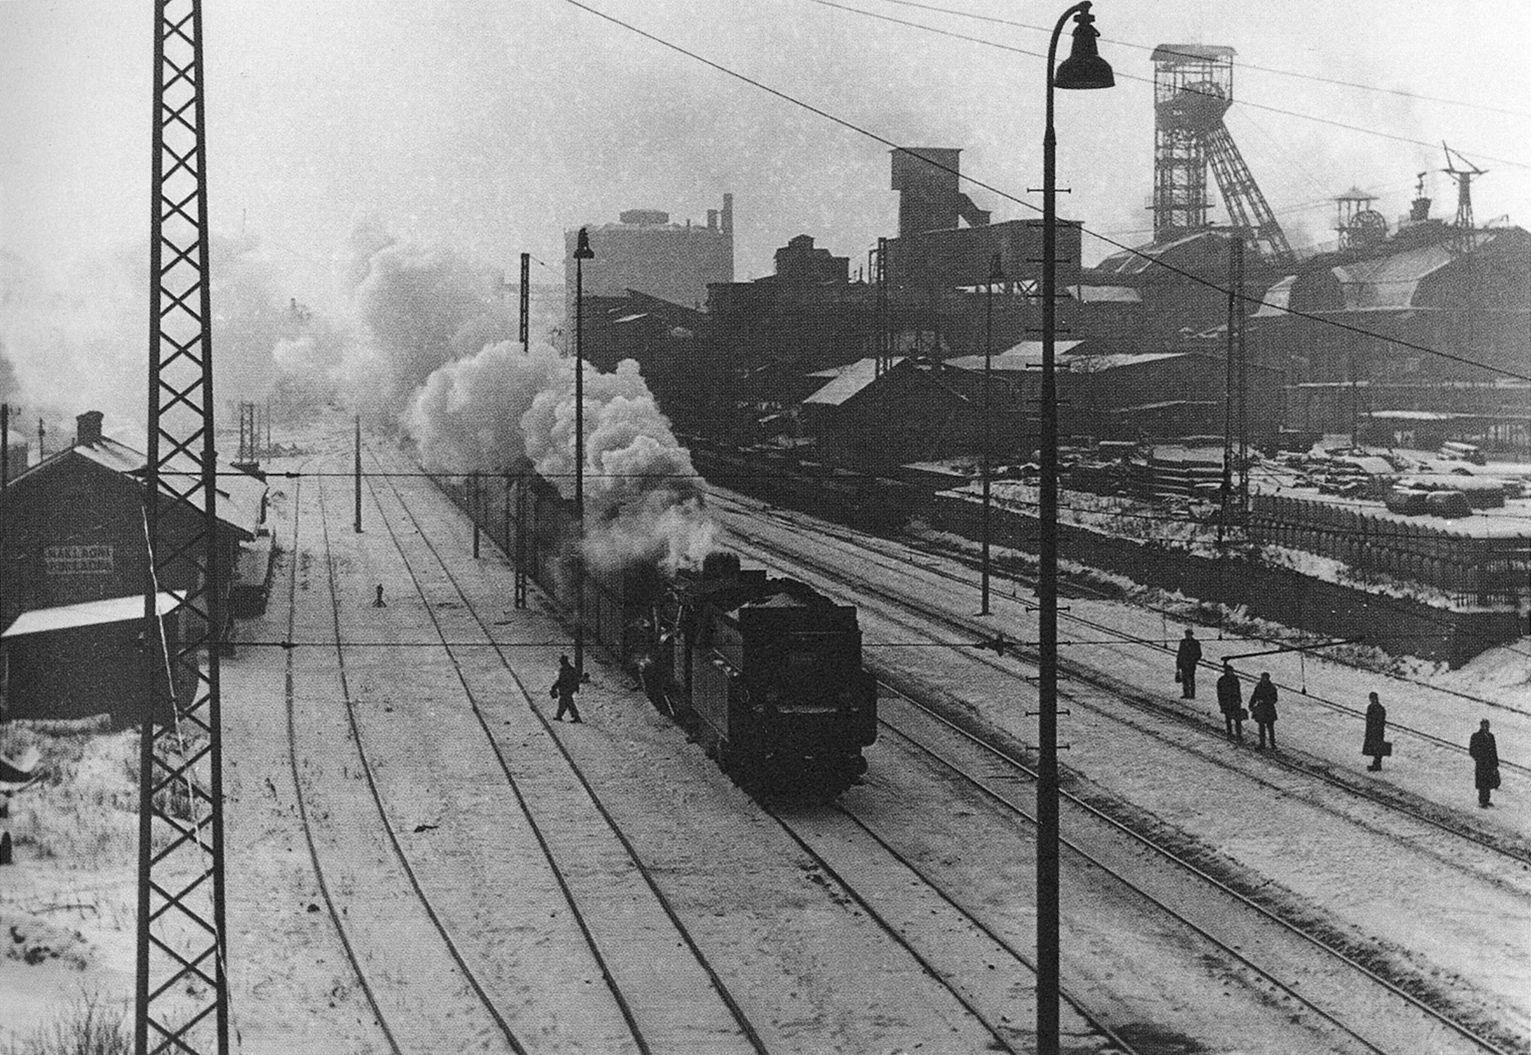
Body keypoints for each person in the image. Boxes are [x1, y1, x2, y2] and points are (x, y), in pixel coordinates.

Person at [1469, 718, 1499, 808]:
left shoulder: (1491, 736)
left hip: (1490, 764)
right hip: (1481, 764)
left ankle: (1487, 799)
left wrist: (1495, 764)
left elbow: (1494, 751)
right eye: (1485, 726)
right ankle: (1482, 801)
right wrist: (1479, 758)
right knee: (1482, 782)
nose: (1486, 727)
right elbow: (1472, 750)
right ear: (1481, 726)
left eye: (1487, 726)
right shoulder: (1476, 736)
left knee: (1488, 782)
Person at [1215, 661, 1244, 742]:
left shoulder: (1234, 680)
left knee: (1237, 720)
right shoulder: (1222, 680)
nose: (1230, 673)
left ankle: (1238, 734)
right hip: (1227, 702)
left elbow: (1238, 691)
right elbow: (1220, 693)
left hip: (1235, 702)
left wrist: (1239, 700)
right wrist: (1221, 703)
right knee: (1228, 719)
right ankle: (1230, 733)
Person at [1250, 672, 1278, 750]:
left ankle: (1272, 744)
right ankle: (1262, 744)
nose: (1265, 680)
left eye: (1266, 678)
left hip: (1269, 710)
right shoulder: (1259, 687)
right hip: (1261, 710)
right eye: (1263, 678)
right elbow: (1254, 696)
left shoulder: (1272, 688)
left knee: (1270, 728)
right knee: (1261, 728)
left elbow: (1274, 699)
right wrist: (1251, 705)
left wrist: (1265, 701)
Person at [550, 655, 583, 723]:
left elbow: (561, 680)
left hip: (567, 689)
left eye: (561, 661)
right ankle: (560, 716)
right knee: (564, 702)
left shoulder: (566, 669)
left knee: (568, 703)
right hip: (568, 688)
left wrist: (555, 686)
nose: (560, 662)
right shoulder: (569, 669)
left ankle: (576, 717)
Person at [1363, 692, 1388, 771]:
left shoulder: (1379, 708)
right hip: (1372, 730)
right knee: (1375, 748)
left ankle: (1377, 765)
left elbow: (1379, 721)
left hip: (1377, 731)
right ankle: (1376, 764)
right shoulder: (1372, 707)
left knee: (1377, 748)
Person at [1175, 628, 1202, 700]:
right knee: (1184, 679)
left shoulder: (1195, 643)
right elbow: (1180, 653)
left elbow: (1199, 654)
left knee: (1191, 679)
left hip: (1191, 664)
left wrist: (1193, 660)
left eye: (1188, 634)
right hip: (1183, 663)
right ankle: (1186, 693)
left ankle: (1192, 694)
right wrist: (1178, 663)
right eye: (1186, 634)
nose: (1187, 636)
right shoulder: (1183, 642)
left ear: (1191, 635)